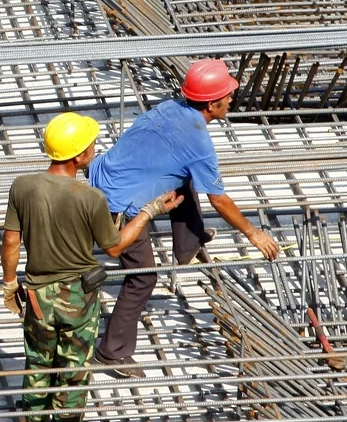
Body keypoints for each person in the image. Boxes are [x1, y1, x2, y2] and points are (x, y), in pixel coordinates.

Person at [87, 59, 283, 376]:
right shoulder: (198, 143)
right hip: (117, 207)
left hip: (102, 175)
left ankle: (187, 244)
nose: (232, 100)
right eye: (227, 94)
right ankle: (112, 353)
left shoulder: (170, 107)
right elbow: (218, 199)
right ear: (212, 103)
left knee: (186, 176)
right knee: (143, 277)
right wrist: (252, 233)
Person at [2, 113, 178, 422]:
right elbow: (114, 247)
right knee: (73, 370)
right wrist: (149, 211)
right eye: (90, 146)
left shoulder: (23, 186)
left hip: (37, 294)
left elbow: (10, 241)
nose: (94, 150)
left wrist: (10, 284)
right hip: (77, 298)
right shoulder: (91, 198)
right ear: (79, 155)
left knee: (39, 361)